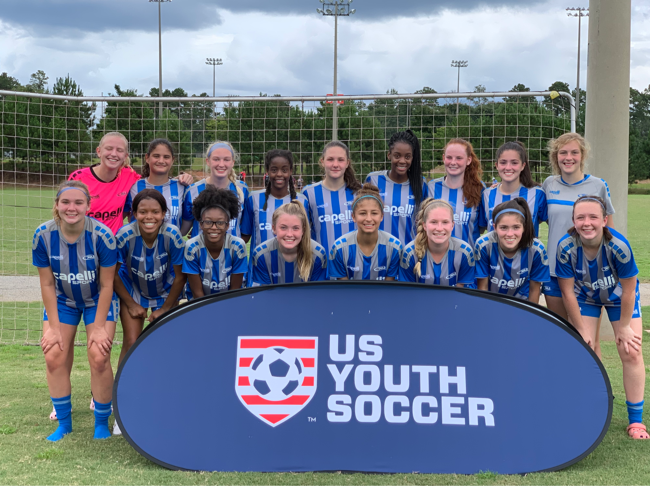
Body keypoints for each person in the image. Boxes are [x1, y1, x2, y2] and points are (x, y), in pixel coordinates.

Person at [33, 181, 118, 441]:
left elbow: (107, 285)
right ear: (57, 205)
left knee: (99, 355)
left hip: (97, 300)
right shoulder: (42, 235)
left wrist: (100, 328)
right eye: (66, 202)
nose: (72, 208)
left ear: (88, 206)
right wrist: (54, 328)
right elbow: (47, 283)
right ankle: (64, 424)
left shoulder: (103, 236)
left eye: (79, 202)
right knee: (53, 355)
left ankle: (101, 423)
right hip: (63, 301)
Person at [556, 196, 647, 440]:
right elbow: (567, 292)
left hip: (619, 297)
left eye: (593, 217)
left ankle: (636, 421)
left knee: (631, 350)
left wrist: (624, 326)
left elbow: (629, 290)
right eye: (581, 217)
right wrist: (581, 329)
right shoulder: (565, 247)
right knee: (586, 350)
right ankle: (594, 409)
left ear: (604, 220)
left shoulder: (619, 246)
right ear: (574, 221)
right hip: (585, 297)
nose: (587, 223)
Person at [542, 133, 615, 321]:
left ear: (582, 156)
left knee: (586, 334)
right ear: (555, 156)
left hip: (589, 271)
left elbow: (609, 231)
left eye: (574, 152)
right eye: (563, 152)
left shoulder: (598, 185)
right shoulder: (549, 184)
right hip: (555, 270)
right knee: (560, 330)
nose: (568, 157)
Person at [114, 190, 185, 363]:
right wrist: (131, 304)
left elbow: (180, 277)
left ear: (163, 213)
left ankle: (164, 379)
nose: (149, 217)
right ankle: (124, 381)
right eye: (143, 212)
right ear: (134, 213)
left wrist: (165, 309)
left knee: (166, 343)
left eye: (155, 212)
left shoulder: (173, 234)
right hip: (133, 289)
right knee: (131, 342)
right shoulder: (124, 235)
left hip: (165, 291)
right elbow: (112, 275)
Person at [475, 198, 550, 303]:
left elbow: (534, 290)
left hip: (522, 304)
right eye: (503, 227)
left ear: (524, 227)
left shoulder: (536, 249)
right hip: (492, 302)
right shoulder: (484, 245)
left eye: (516, 227)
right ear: (495, 227)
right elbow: (483, 287)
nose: (510, 234)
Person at [241, 149, 309, 264]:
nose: (279, 174)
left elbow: (305, 237)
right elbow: (244, 237)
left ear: (291, 171)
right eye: (274, 170)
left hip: (293, 269)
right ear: (267, 171)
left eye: (284, 170)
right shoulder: (254, 199)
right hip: (259, 269)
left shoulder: (302, 201)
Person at [68, 132, 141, 235]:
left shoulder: (129, 175)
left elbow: (150, 182)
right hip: (84, 241)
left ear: (125, 156)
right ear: (99, 151)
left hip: (113, 242)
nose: (114, 154)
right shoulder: (78, 178)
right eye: (109, 148)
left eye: (119, 150)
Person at [182, 186, 248, 297]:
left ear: (227, 225)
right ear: (201, 224)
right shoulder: (192, 247)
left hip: (230, 302)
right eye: (208, 222)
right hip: (199, 303)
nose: (214, 227)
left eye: (220, 223)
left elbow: (234, 291)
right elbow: (197, 293)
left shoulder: (237, 246)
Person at [365, 129, 428, 245]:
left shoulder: (421, 184)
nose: (402, 161)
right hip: (379, 251)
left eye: (407, 157)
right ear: (389, 155)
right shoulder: (373, 180)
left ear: (412, 158)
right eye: (397, 156)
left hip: (409, 251)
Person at [328, 183, 402, 281]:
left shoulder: (394, 247)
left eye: (374, 213)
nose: (368, 219)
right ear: (353, 217)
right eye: (362, 213)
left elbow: (388, 287)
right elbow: (344, 288)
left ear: (381, 216)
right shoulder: (340, 248)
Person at [303, 141, 363, 254]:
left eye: (340, 160)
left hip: (354, 260)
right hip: (321, 260)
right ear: (322, 162)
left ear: (347, 163)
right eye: (330, 159)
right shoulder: (309, 193)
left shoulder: (359, 191)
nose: (335, 164)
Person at [400, 199, 475, 286]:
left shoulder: (464, 252)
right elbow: (407, 292)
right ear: (424, 225)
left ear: (452, 225)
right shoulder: (410, 253)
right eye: (434, 222)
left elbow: (461, 292)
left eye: (445, 222)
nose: (439, 228)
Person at [181, 141, 249, 239]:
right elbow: (183, 230)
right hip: (200, 249)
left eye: (226, 159)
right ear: (208, 161)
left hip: (231, 249)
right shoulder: (192, 190)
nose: (221, 164)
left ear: (232, 162)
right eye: (216, 159)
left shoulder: (242, 189)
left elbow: (244, 228)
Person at [251, 201, 327, 285]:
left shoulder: (317, 254)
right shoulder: (261, 255)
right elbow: (264, 292)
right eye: (283, 227)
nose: (289, 234)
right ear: (274, 228)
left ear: (303, 230)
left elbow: (316, 291)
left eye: (295, 228)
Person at [428, 138, 486, 248]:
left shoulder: (479, 188)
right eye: (449, 157)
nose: (453, 162)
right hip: (437, 255)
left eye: (459, 158)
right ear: (444, 158)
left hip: (469, 256)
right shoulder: (431, 187)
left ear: (468, 160)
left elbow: (482, 227)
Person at [124, 138, 194, 228]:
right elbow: (121, 217)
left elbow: (187, 221)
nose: (161, 161)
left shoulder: (182, 187)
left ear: (172, 160)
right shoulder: (133, 187)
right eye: (156, 156)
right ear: (147, 158)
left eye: (166, 157)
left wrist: (175, 236)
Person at [481, 141, 547, 235]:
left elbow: (543, 221)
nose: (508, 167)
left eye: (514, 163)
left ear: (523, 166)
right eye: (503, 162)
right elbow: (482, 227)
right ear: (497, 166)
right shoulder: (486, 194)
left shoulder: (538, 194)